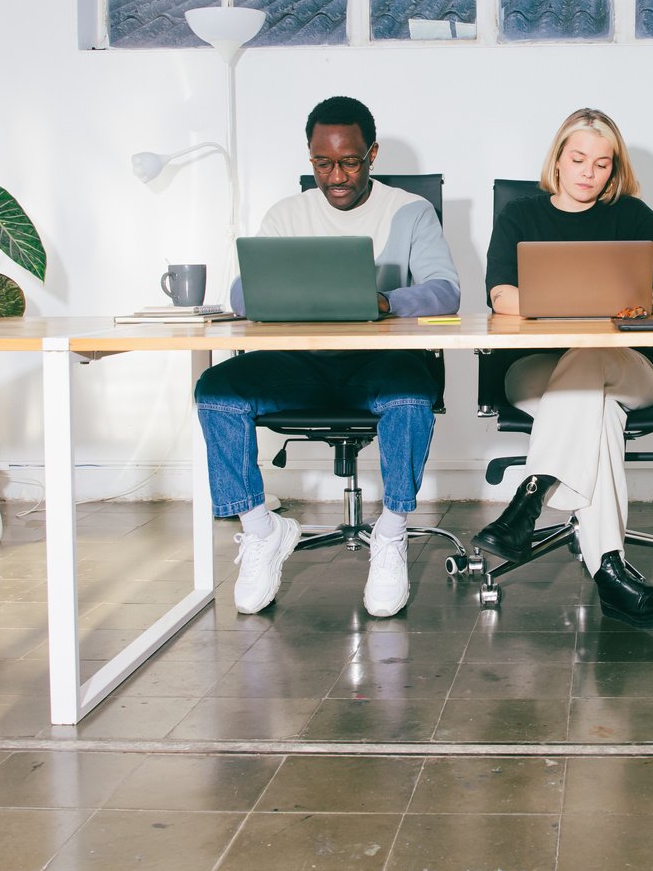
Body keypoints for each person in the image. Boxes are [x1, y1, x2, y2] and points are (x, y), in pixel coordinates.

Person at [195, 95, 460, 619]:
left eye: (349, 161)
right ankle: (260, 530)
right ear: (310, 157)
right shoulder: (286, 215)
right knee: (216, 392)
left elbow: (446, 292)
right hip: (300, 365)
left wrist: (384, 302)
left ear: (373, 154)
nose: (336, 175)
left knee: (410, 396)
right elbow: (243, 296)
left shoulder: (410, 211)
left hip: (380, 365)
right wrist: (289, 297)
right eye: (322, 163)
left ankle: (390, 533)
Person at [474, 108, 653, 630]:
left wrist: (648, 301)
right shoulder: (520, 217)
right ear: (557, 159)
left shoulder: (634, 216)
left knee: (594, 360)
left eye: (601, 163)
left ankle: (533, 495)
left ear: (613, 169)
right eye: (577, 159)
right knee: (597, 416)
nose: (587, 173)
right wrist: (564, 304)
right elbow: (501, 296)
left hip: (626, 369)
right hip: (535, 372)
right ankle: (612, 573)